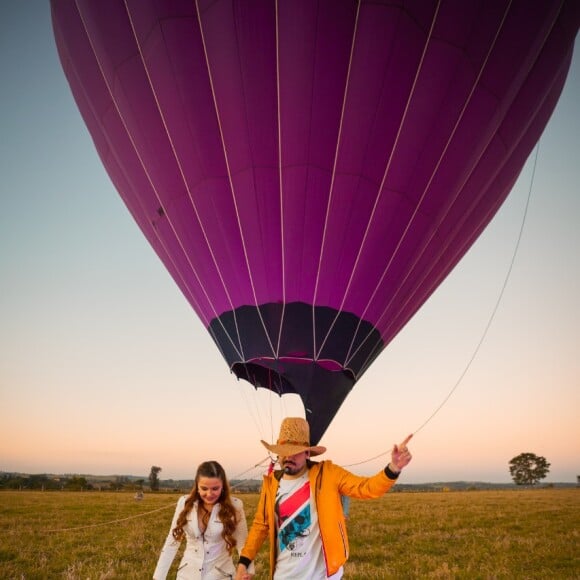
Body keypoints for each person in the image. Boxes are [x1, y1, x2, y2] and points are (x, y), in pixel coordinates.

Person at [234, 417, 412, 579]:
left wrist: (393, 468)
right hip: (284, 574)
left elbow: (365, 488)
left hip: (323, 576)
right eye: (283, 451)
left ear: (307, 453)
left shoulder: (328, 474)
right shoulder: (271, 483)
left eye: (295, 451)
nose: (288, 456)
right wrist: (243, 563)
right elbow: (260, 526)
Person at [154, 460, 254, 579]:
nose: (209, 493)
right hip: (187, 575)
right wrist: (158, 577)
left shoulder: (236, 506)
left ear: (223, 486)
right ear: (197, 486)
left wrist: (246, 571)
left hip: (221, 576)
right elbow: (172, 542)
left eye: (215, 488)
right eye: (204, 488)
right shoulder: (184, 503)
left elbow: (243, 545)